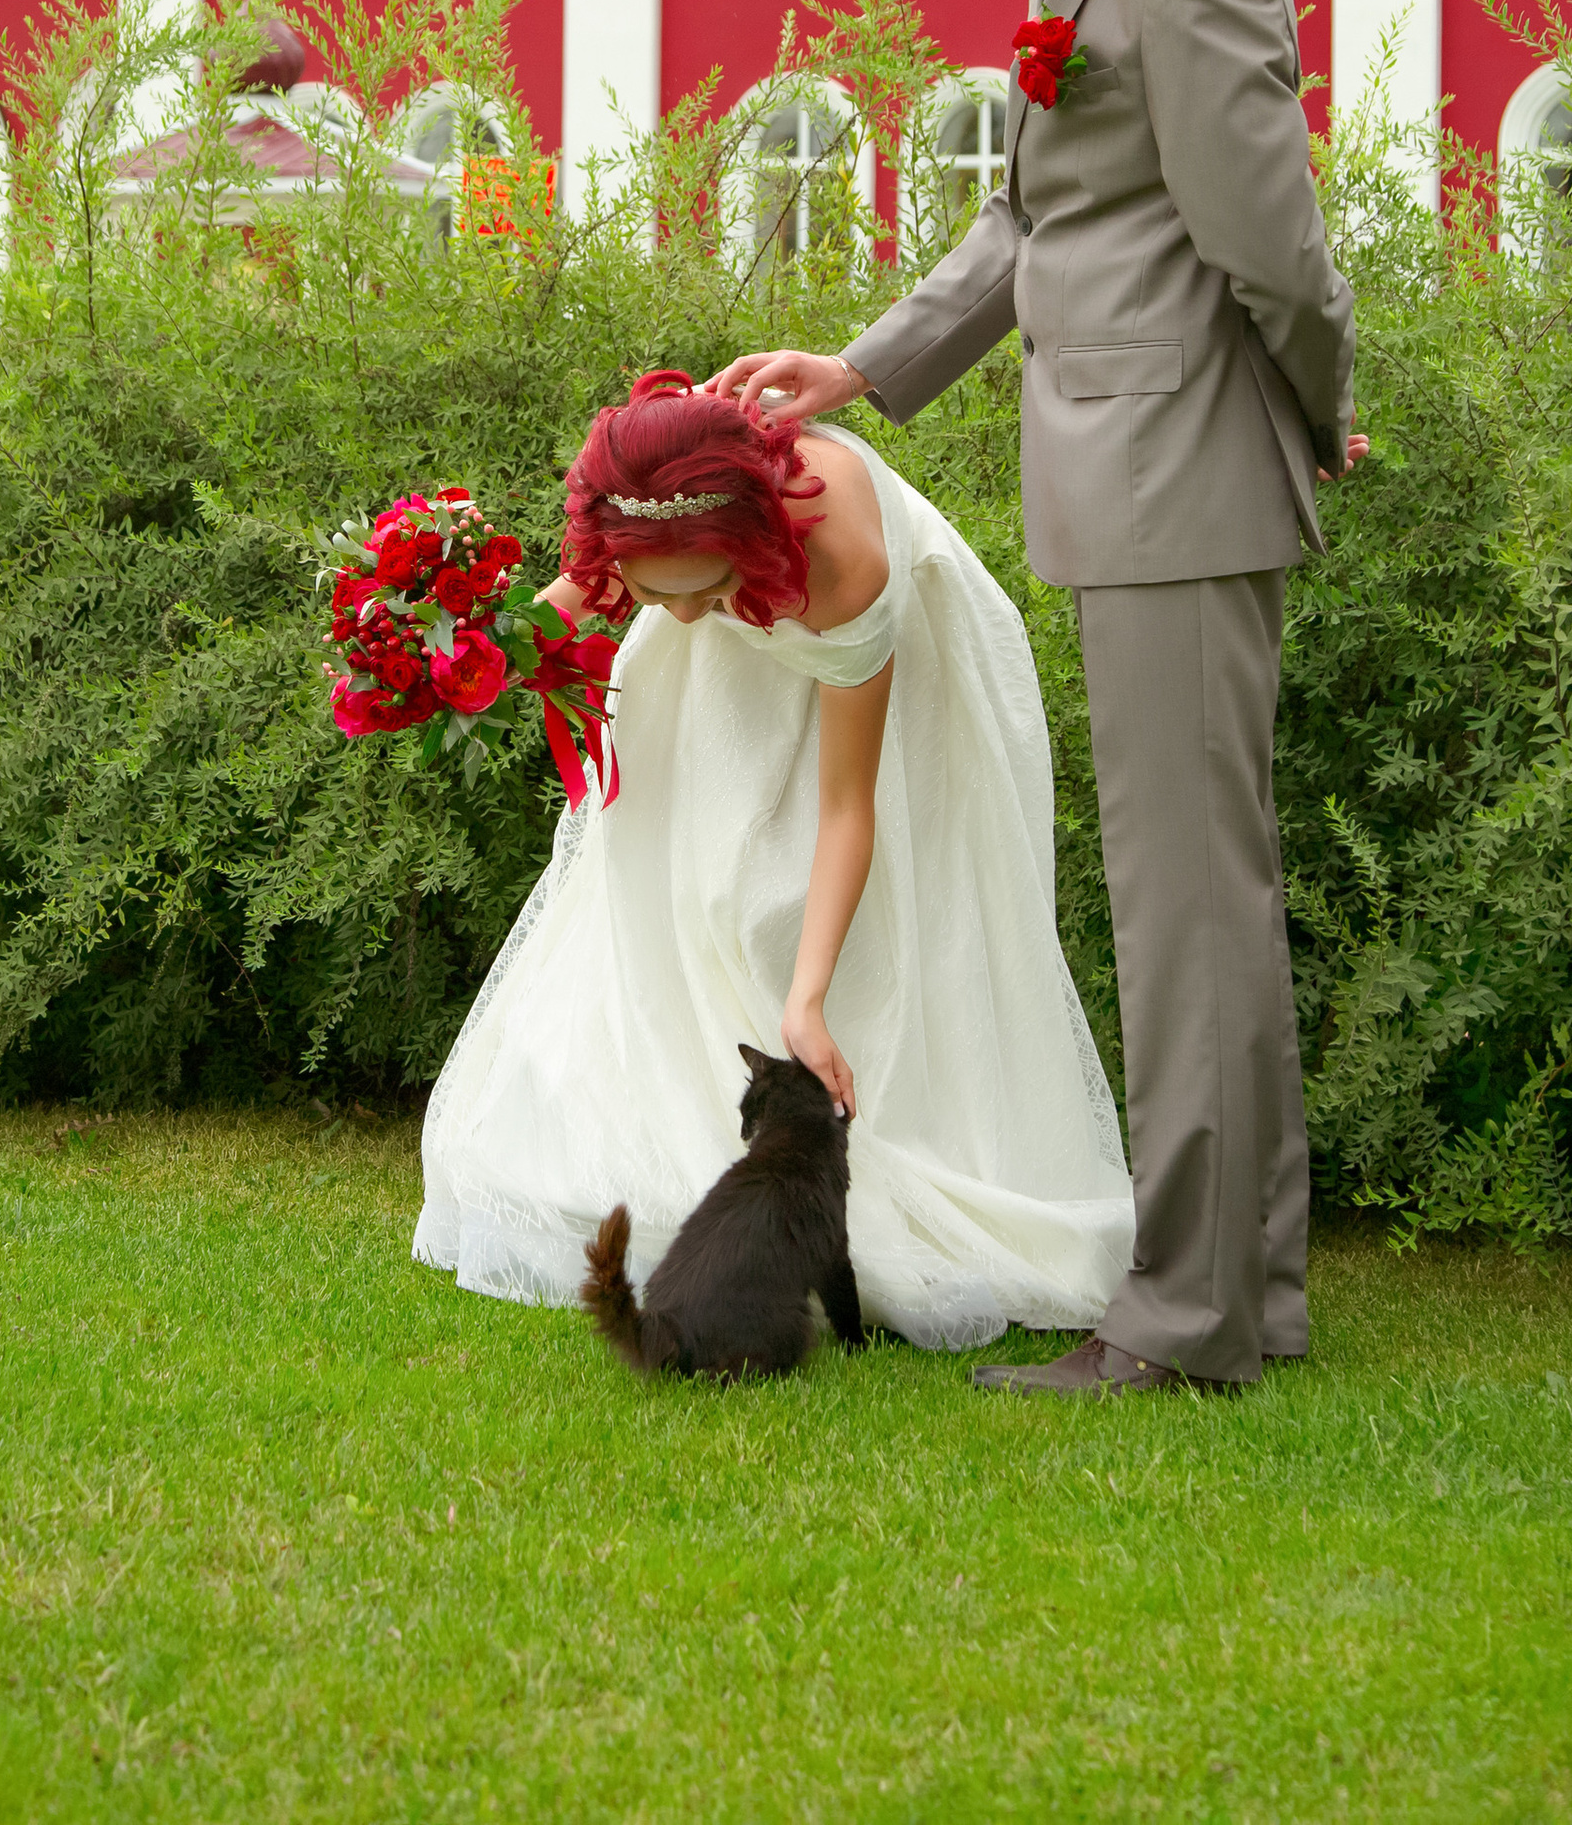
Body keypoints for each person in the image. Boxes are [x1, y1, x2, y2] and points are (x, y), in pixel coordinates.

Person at [714, 0, 1362, 1400]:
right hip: (1148, 479)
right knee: (1203, 902)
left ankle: (1188, 1323)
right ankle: (1253, 1295)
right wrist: (860, 365)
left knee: (1185, 915)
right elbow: (1038, 214)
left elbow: (1276, 256)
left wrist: (1311, 414)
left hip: (1181, 478)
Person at [412, 369, 1135, 1353]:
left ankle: (898, 1156)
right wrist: (433, 651)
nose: (680, 614)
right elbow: (548, 625)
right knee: (700, 889)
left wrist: (807, 1000)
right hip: (720, 682)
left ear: (744, 545)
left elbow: (848, 806)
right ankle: (695, 1168)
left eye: (702, 591)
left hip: (875, 688)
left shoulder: (843, 564)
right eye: (653, 597)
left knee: (807, 910)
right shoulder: (654, 524)